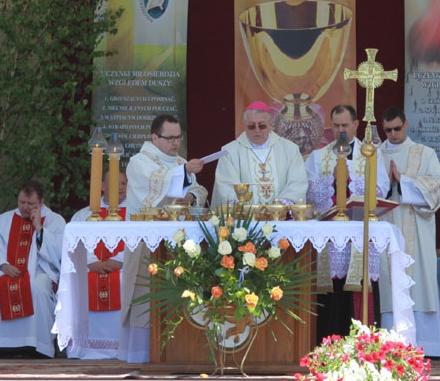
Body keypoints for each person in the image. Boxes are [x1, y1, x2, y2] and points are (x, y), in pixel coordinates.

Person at [121, 114, 208, 363]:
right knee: (145, 293)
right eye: (170, 138)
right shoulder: (139, 161)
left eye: (178, 137)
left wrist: (191, 197)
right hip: (146, 241)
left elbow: (197, 189)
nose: (175, 143)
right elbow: (154, 184)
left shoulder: (180, 161)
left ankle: (179, 350)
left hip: (178, 241)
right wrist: (183, 172)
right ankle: (141, 355)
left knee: (180, 294)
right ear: (154, 137)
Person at [304, 104, 390, 341]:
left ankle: (360, 344)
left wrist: (351, 182)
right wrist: (331, 181)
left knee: (360, 287)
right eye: (336, 126)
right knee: (330, 294)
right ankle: (326, 342)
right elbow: (309, 194)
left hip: (360, 233)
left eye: (345, 125)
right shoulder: (318, 156)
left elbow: (381, 189)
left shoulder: (372, 153)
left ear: (356, 125)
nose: (340, 130)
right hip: (329, 239)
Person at [376, 106, 440, 357]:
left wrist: (403, 180)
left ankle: (426, 345)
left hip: (417, 229)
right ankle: (390, 344)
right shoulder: (374, 155)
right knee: (388, 283)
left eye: (397, 128)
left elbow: (435, 188)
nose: (393, 134)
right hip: (386, 229)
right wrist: (388, 182)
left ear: (406, 124)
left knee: (420, 283)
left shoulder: (425, 153)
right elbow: (366, 190)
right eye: (388, 130)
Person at [0, 180, 66, 358]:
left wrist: (39, 229)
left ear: (41, 202)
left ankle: (36, 345)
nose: (25, 207)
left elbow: (59, 253)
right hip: (7, 269)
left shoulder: (55, 221)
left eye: (30, 204)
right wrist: (3, 265)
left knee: (36, 287)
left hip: (40, 270)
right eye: (21, 202)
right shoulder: (3, 221)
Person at [67, 167, 128, 359]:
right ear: (102, 186)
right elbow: (73, 244)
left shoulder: (135, 214)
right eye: (115, 183)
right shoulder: (84, 215)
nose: (120, 188)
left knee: (126, 282)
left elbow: (139, 244)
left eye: (124, 183)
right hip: (89, 269)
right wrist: (91, 262)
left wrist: (118, 260)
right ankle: (85, 348)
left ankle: (124, 347)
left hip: (123, 269)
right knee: (78, 283)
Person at [211, 100, 308, 208]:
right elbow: (225, 185)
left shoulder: (290, 149)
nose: (257, 130)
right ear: (244, 126)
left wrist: (280, 206)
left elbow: (297, 182)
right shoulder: (229, 151)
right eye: (251, 126)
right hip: (245, 217)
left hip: (280, 215)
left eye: (262, 126)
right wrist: (244, 209)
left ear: (271, 124)